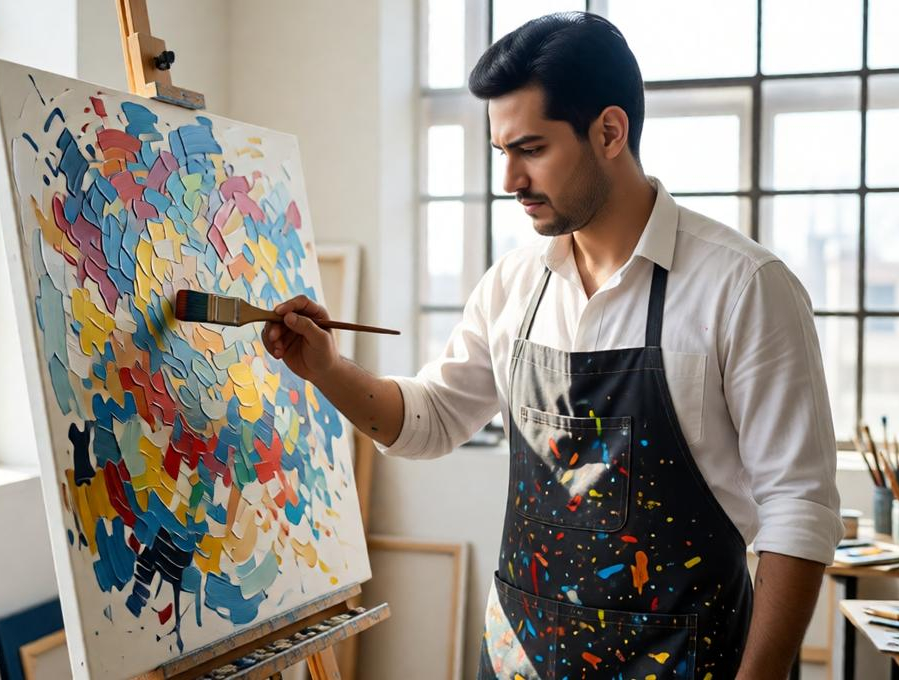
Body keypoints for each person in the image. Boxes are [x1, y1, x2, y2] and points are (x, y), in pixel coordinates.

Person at [263, 11, 841, 679]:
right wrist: (326, 369)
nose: (508, 180)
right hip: (523, 660)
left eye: (530, 149)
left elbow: (799, 509)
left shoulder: (743, 288)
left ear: (609, 132)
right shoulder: (513, 283)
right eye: (499, 152)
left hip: (686, 661)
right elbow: (432, 420)